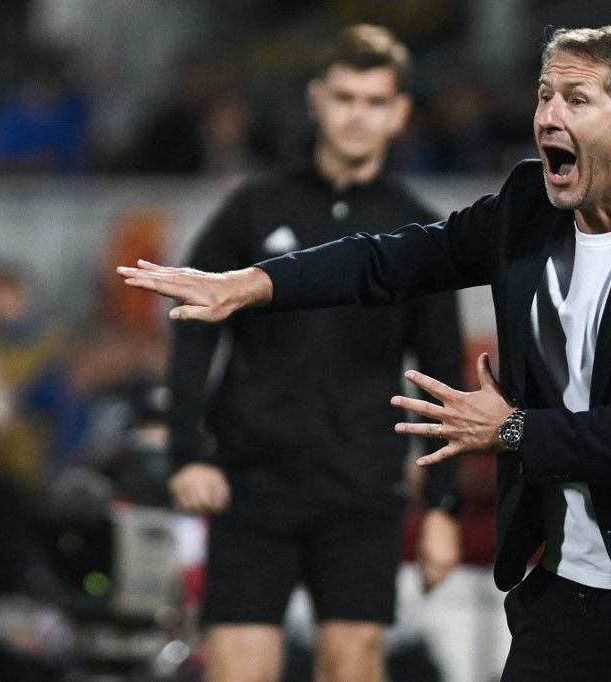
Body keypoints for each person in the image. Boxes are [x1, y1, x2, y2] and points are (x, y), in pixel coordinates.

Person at [120, 25, 611, 680]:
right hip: (567, 598)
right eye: (543, 96)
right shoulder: (529, 206)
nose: (549, 116)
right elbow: (392, 259)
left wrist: (511, 432)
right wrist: (256, 283)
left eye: (576, 100)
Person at [158, 25, 464, 682]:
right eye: (346, 96)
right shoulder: (253, 206)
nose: (359, 115)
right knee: (238, 669)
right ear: (317, 100)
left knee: (351, 664)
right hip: (252, 483)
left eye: (376, 101)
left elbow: (443, 376)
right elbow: (192, 325)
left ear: (400, 113)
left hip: (361, 490)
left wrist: (441, 508)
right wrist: (186, 454)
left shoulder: (419, 232)